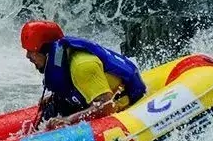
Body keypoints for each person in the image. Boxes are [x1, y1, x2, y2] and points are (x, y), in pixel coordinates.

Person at [19, 20, 147, 131]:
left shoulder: (82, 66)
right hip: (92, 95)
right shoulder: (61, 58)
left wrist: (69, 120)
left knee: (63, 120)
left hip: (123, 101)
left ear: (46, 52)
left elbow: (107, 106)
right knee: (49, 109)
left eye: (31, 51)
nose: (28, 56)